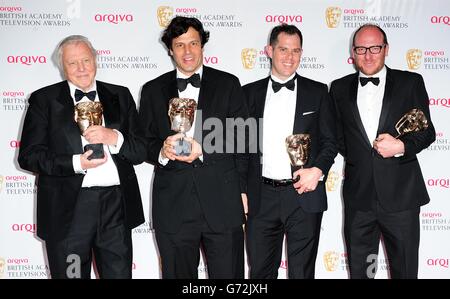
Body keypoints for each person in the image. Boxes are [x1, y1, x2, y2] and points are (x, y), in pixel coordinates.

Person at [18, 35, 146, 279]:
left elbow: (140, 151)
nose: (81, 68)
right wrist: (76, 163)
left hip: (115, 207)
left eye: (86, 60)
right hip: (68, 210)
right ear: (62, 67)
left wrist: (114, 138)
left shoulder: (120, 95)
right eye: (72, 63)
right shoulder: (43, 100)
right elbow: (30, 156)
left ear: (96, 60)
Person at [138, 16, 248, 279]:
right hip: (173, 206)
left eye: (193, 43)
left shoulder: (228, 83)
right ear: (170, 49)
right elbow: (143, 142)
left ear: (202, 45)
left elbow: (244, 135)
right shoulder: (153, 89)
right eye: (179, 45)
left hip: (223, 202)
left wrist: (205, 148)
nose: (187, 51)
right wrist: (162, 151)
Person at [329, 24, 435, 279]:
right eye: (361, 49)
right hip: (359, 201)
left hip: (401, 200)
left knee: (405, 272)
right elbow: (338, 138)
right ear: (352, 52)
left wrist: (401, 146)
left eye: (375, 48)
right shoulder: (339, 88)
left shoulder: (410, 82)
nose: (368, 55)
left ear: (386, 49)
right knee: (362, 273)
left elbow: (427, 132)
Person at [243, 24, 337, 279]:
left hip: (303, 196)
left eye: (296, 51)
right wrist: (241, 190)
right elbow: (239, 148)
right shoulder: (247, 94)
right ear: (269, 50)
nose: (289, 57)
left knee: (302, 273)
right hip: (260, 197)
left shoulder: (318, 92)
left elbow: (331, 141)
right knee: (260, 273)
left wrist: (317, 171)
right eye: (283, 49)